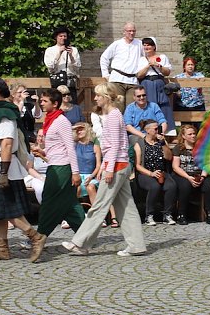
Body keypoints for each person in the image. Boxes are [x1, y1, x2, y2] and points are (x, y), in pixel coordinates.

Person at [61, 83, 147, 257]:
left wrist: (108, 168)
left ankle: (80, 243)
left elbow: (115, 146)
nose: (95, 98)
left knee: (99, 205)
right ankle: (136, 245)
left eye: (98, 95)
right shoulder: (113, 115)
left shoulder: (114, 116)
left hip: (116, 167)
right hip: (119, 165)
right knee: (126, 207)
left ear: (106, 97)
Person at [0, 75, 43, 260]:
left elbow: (7, 143)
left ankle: (35, 237)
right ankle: (2, 249)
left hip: (3, 166)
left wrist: (3, 173)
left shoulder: (4, 114)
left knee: (8, 210)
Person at [27, 88, 85, 263]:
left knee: (49, 201)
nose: (41, 103)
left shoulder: (61, 122)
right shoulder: (51, 121)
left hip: (62, 169)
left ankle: (41, 235)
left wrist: (75, 172)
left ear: (55, 103)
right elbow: (57, 149)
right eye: (42, 100)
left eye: (44, 101)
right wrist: (42, 152)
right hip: (55, 165)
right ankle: (86, 237)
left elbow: (70, 148)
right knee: (70, 206)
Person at [134, 119, 176, 225]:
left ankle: (167, 214)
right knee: (154, 186)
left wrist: (163, 144)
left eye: (159, 128)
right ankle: (149, 215)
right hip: (146, 172)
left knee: (171, 186)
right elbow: (138, 165)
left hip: (161, 172)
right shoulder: (140, 144)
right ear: (147, 130)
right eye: (156, 129)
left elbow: (169, 157)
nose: (158, 131)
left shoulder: (161, 142)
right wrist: (151, 174)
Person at [171, 124, 210, 225]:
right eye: (190, 134)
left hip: (200, 174)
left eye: (194, 133)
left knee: (209, 186)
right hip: (183, 174)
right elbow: (175, 167)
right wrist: (188, 177)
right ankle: (181, 214)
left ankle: (209, 214)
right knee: (185, 186)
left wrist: (203, 177)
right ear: (183, 136)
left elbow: (207, 165)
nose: (193, 136)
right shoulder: (178, 148)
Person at [99, 22, 144, 107]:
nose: (131, 33)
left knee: (132, 107)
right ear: (124, 32)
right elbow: (104, 58)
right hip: (117, 80)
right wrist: (105, 74)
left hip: (132, 81)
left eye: (133, 31)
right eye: (129, 31)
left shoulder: (139, 44)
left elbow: (146, 58)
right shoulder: (117, 44)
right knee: (118, 107)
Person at [137, 37, 174, 133]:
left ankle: (167, 131)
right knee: (148, 106)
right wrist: (148, 66)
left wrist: (159, 66)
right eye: (144, 45)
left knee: (164, 105)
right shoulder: (141, 59)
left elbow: (167, 72)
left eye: (148, 45)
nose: (146, 47)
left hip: (159, 82)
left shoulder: (162, 57)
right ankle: (149, 130)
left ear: (154, 46)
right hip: (146, 83)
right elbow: (139, 75)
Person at [44, 26, 81, 102]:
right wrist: (59, 54)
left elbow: (77, 67)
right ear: (56, 37)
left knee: (72, 105)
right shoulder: (50, 50)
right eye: (60, 36)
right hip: (57, 82)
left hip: (70, 82)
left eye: (65, 36)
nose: (63, 38)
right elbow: (50, 67)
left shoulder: (74, 50)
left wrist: (71, 56)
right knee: (57, 105)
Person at [73, 122, 101, 205]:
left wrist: (91, 176)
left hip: (91, 176)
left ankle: (96, 215)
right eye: (77, 130)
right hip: (77, 176)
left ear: (87, 131)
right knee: (77, 188)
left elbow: (98, 165)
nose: (79, 132)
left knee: (91, 187)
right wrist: (73, 127)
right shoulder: (74, 145)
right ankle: (75, 214)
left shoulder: (94, 145)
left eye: (81, 129)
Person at [10, 83, 41, 148]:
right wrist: (21, 101)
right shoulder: (10, 106)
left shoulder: (29, 106)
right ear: (13, 94)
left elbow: (38, 116)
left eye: (24, 92)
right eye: (20, 92)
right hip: (16, 139)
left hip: (30, 139)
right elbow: (16, 114)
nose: (22, 94)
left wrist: (36, 103)